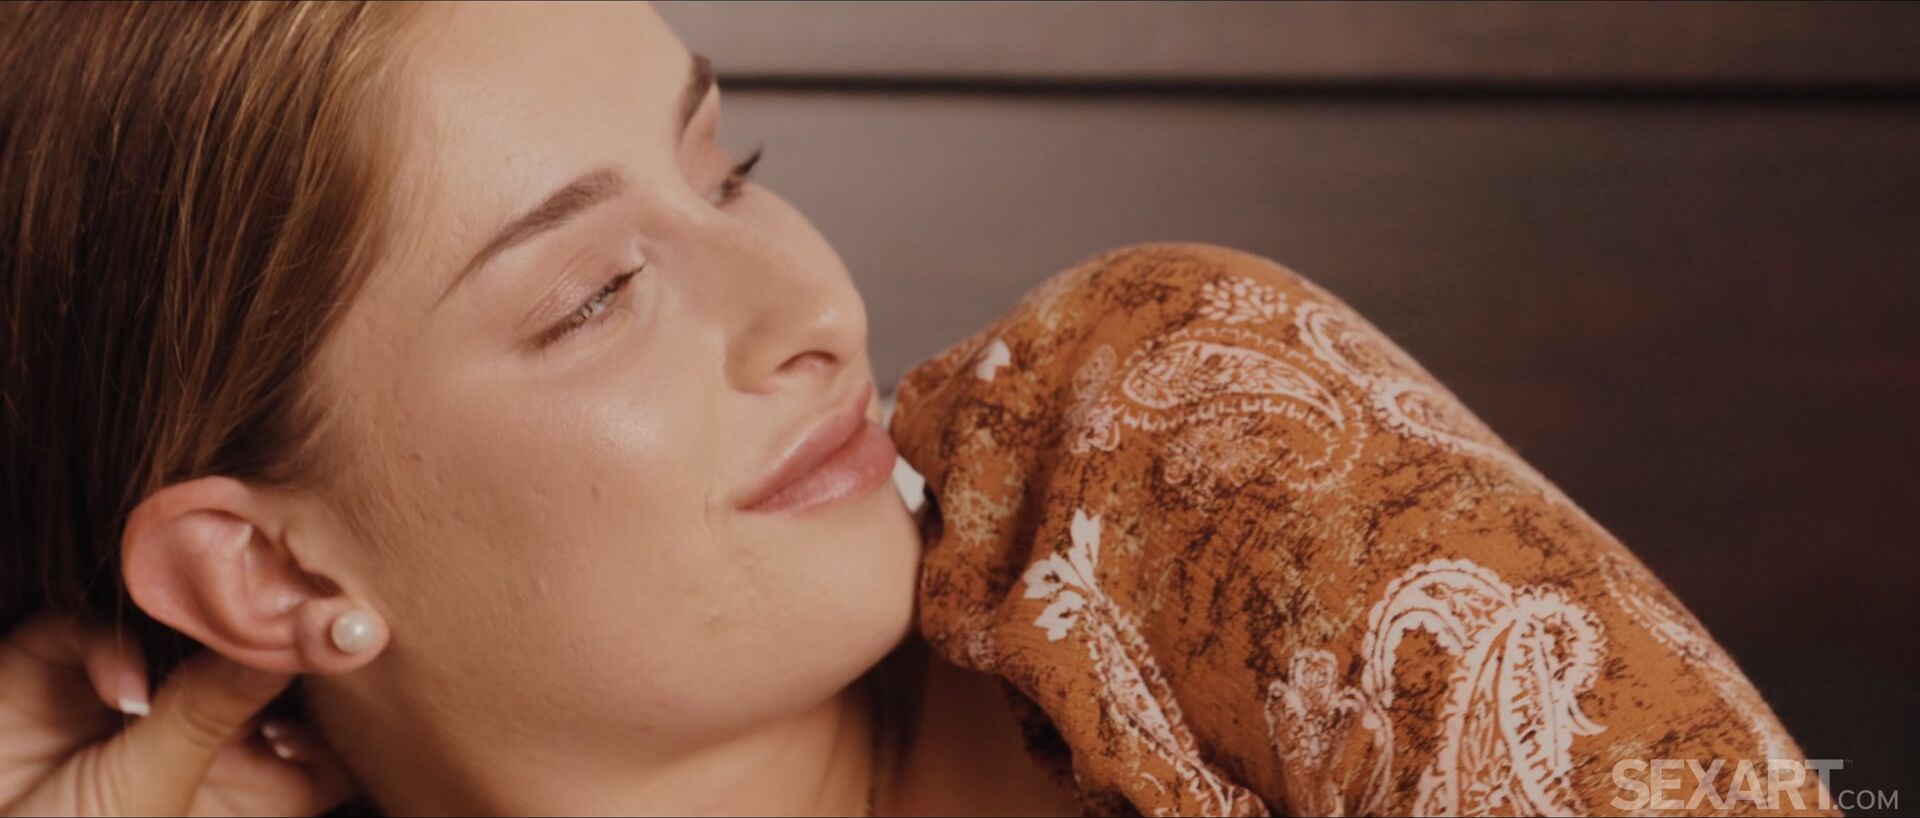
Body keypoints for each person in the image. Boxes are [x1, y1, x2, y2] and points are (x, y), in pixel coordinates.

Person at [0, 2, 1828, 816]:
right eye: (598, 295)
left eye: (728, 170)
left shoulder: (1167, 448)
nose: (813, 306)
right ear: (263, 573)